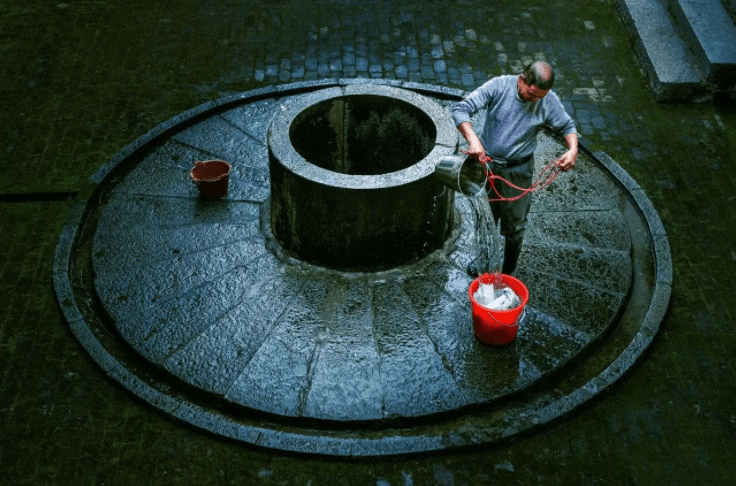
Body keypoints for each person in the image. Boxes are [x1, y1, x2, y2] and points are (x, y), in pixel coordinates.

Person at [452, 61, 578, 276]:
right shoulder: (499, 86)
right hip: (487, 165)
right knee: (485, 217)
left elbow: (567, 126)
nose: (535, 100)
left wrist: (572, 149)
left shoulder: (547, 100)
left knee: (516, 227)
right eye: (531, 95)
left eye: (540, 97)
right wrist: (473, 140)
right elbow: (461, 109)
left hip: (519, 171)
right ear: (521, 80)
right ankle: (483, 261)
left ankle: (508, 272)